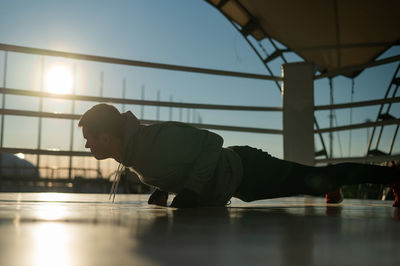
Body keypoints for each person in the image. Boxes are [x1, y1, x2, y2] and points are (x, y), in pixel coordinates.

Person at [78, 103, 400, 208]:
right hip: (240, 185)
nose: (87, 146)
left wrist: (189, 189)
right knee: (310, 182)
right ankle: (326, 182)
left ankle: (392, 176)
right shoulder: (133, 153)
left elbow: (211, 141)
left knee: (315, 180)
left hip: (248, 168)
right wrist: (164, 189)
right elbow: (172, 166)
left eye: (89, 139)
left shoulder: (157, 139)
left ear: (106, 137)